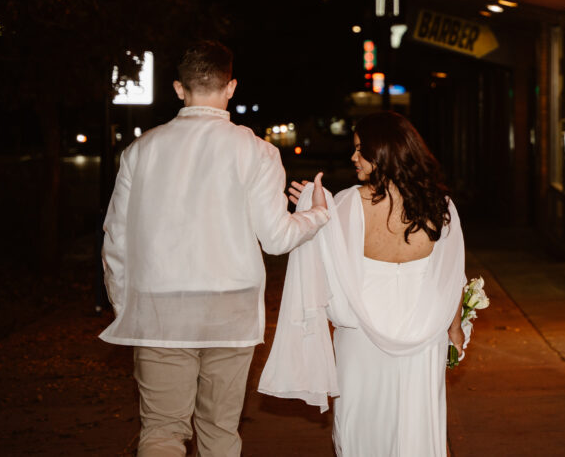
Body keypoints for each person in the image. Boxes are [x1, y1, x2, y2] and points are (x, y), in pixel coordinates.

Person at [99, 40, 330, 457]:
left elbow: (116, 240)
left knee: (162, 432)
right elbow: (277, 238)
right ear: (231, 87)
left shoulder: (140, 151)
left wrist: (126, 306)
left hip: (160, 308)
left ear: (178, 88)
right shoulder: (257, 152)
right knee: (220, 430)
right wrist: (316, 214)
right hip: (232, 308)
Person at [260, 110, 466, 456]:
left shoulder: (346, 205)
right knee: (415, 426)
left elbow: (322, 260)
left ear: (384, 152)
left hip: (361, 340)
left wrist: (313, 209)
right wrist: (455, 329)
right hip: (424, 336)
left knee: (362, 427)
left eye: (360, 149)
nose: (353, 157)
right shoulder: (440, 206)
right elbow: (450, 277)